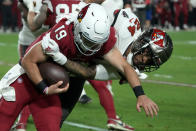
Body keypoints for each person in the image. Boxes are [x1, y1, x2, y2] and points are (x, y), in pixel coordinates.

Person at [0, 3, 154, 131]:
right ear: (79, 29)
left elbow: (125, 66)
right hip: (25, 80)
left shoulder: (104, 39)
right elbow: (28, 61)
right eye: (88, 41)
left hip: (51, 87)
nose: (91, 47)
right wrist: (44, 88)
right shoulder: (62, 35)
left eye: (96, 43)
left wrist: (140, 94)